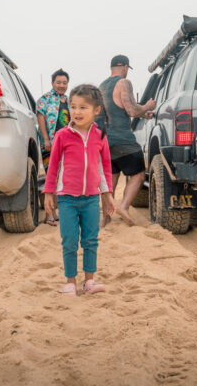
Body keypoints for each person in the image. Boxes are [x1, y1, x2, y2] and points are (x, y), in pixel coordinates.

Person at [43, 84, 116, 296]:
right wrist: (48, 192)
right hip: (67, 199)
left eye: (83, 107)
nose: (77, 111)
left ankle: (89, 282)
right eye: (73, 106)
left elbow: (104, 168)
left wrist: (107, 195)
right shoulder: (62, 135)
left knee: (91, 240)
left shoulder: (100, 136)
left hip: (91, 199)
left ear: (96, 110)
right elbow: (54, 166)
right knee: (69, 241)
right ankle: (70, 282)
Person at [99, 55, 156, 226]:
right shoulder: (124, 83)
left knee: (111, 179)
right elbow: (131, 110)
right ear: (125, 67)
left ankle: (106, 218)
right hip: (123, 139)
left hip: (105, 141)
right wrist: (147, 106)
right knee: (138, 174)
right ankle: (123, 207)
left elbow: (117, 109)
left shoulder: (102, 86)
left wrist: (142, 113)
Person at [36, 69, 70, 225]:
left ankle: (58, 212)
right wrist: (46, 140)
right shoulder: (45, 99)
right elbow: (41, 118)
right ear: (52, 83)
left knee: (63, 178)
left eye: (64, 83)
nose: (61, 85)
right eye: (58, 82)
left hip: (67, 144)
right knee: (51, 177)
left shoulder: (69, 101)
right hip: (50, 144)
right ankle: (49, 214)